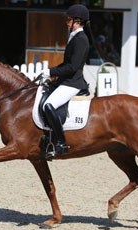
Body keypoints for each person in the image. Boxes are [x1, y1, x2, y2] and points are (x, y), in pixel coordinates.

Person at [42, 4, 90, 157]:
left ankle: (62, 143)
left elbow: (73, 67)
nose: (66, 22)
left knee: (48, 106)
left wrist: (51, 71)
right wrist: (52, 74)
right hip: (66, 80)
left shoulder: (81, 39)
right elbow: (66, 64)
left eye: (69, 19)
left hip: (73, 82)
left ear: (78, 20)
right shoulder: (73, 36)